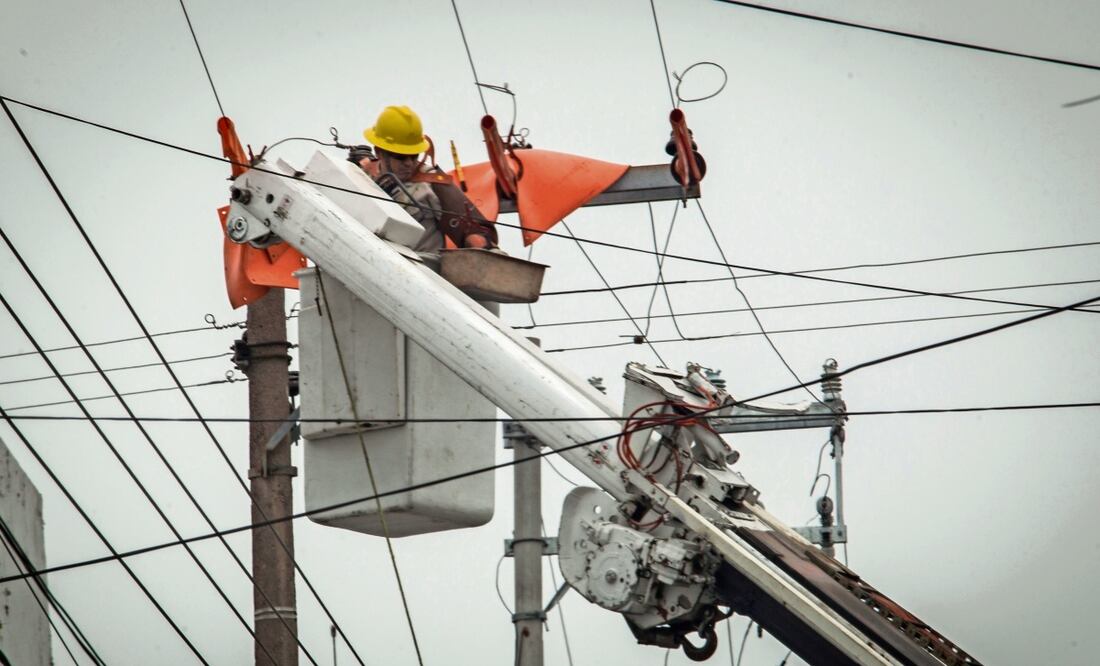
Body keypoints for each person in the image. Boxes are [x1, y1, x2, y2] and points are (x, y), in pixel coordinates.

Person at [356, 105, 498, 255]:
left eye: (414, 155)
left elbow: (477, 235)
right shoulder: (362, 175)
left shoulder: (432, 183)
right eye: (401, 157)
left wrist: (487, 249)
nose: (409, 163)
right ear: (379, 152)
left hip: (421, 265)